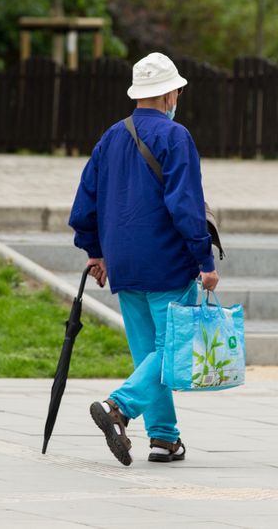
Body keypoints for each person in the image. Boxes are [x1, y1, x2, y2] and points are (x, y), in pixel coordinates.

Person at [68, 52, 218, 467]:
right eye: (178, 92)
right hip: (167, 261)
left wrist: (95, 252)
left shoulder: (111, 137)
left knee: (149, 352)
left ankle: (164, 438)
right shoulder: (176, 137)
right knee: (173, 349)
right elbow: (186, 205)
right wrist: (204, 260)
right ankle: (119, 406)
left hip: (123, 263)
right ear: (169, 94)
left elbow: (85, 202)